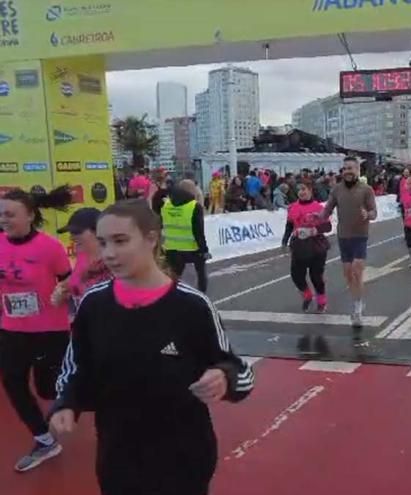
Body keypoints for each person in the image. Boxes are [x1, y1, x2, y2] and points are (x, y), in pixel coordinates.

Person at [50, 199, 254, 495]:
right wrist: (66, 403)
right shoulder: (93, 304)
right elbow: (77, 368)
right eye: (103, 243)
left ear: (151, 239)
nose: (109, 253)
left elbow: (240, 372)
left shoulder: (192, 306)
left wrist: (224, 377)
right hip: (117, 458)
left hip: (184, 460)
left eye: (121, 241)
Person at [0, 186, 74, 472]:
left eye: (10, 214)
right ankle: (44, 440)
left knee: (46, 389)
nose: (4, 220)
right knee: (13, 381)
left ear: (30, 215)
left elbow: (70, 280)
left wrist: (63, 291)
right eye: (1, 215)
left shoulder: (49, 247)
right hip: (11, 328)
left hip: (49, 331)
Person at [320, 157, 377, 327]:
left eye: (350, 168)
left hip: (360, 235)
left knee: (357, 270)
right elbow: (327, 209)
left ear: (358, 170)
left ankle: (357, 308)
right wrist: (317, 217)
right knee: (348, 274)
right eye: (345, 169)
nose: (347, 172)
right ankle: (356, 299)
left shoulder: (366, 190)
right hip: (343, 236)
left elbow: (374, 212)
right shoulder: (337, 190)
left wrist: (368, 215)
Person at [282, 182, 332, 313]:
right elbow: (289, 226)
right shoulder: (293, 207)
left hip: (316, 245)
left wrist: (314, 230)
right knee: (296, 275)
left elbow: (328, 226)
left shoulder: (318, 207)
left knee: (316, 276)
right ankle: (307, 295)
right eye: (299, 190)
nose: (301, 192)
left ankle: (321, 302)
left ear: (310, 190)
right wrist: (284, 242)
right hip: (299, 245)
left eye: (304, 189)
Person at [51, 208, 114, 309]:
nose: (72, 237)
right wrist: (62, 292)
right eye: (70, 232)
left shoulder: (115, 262)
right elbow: (72, 283)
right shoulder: (82, 257)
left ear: (97, 231)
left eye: (77, 232)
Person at [161, 179, 211, 292]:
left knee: (173, 277)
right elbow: (198, 231)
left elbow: (160, 224)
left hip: (171, 247)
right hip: (192, 248)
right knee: (201, 273)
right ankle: (201, 295)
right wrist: (204, 250)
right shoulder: (194, 206)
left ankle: (169, 296)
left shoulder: (166, 205)